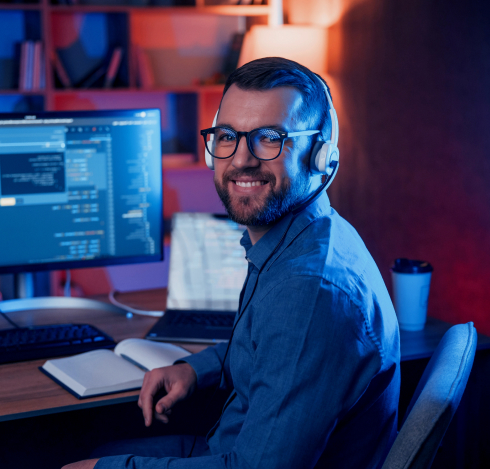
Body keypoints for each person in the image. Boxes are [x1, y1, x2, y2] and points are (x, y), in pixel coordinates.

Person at [64, 57, 400, 469]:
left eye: (269, 137)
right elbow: (272, 349)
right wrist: (197, 368)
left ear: (319, 154)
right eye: (227, 136)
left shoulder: (308, 291)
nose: (241, 159)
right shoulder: (301, 237)